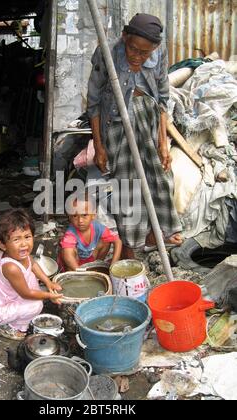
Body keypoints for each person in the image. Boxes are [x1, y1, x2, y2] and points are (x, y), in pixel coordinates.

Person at [87, 13, 183, 258]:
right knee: (128, 189)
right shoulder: (106, 53)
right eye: (133, 48)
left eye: (145, 53)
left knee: (161, 179)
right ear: (124, 37)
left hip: (149, 122)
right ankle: (129, 248)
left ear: (155, 49)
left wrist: (163, 142)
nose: (137, 56)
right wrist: (99, 146)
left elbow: (163, 99)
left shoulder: (159, 55)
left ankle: (155, 235)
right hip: (118, 125)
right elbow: (94, 102)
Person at [0, 209, 63, 340]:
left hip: (8, 297)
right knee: (37, 305)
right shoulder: (11, 267)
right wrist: (48, 295)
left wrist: (48, 282)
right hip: (0, 309)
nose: (24, 244)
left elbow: (33, 264)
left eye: (27, 237)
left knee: (36, 292)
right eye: (16, 239)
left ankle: (15, 317)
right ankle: (8, 327)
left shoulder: (22, 255)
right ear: (3, 245)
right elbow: (26, 294)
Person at [59, 195, 122, 271]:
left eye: (84, 215)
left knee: (106, 241)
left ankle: (97, 264)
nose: (80, 221)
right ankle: (76, 273)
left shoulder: (97, 227)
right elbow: (68, 257)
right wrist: (82, 273)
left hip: (90, 256)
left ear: (93, 215)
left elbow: (118, 241)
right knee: (65, 253)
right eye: (75, 216)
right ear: (69, 217)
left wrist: (113, 265)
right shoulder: (70, 233)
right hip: (75, 261)